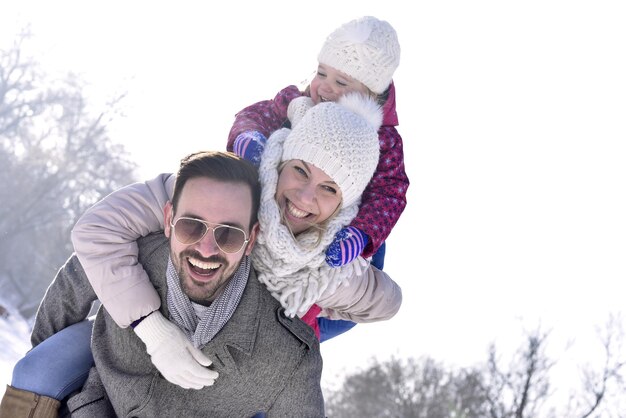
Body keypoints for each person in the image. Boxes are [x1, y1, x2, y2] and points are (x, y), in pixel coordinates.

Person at [1, 95, 402, 417]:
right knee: (40, 370)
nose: (304, 197)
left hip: (245, 351)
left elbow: (384, 302)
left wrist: (312, 305)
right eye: (299, 170)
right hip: (133, 340)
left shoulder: (329, 267)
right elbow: (91, 246)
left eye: (329, 189)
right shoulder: (215, 194)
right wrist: (149, 327)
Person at [1, 151, 326, 417]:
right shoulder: (135, 255)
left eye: (228, 234)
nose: (206, 249)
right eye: (190, 226)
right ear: (169, 219)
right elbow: (70, 289)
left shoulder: (285, 349)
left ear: (251, 238)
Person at [230, 15, 408, 271]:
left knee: (344, 275)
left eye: (341, 82)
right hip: (279, 211)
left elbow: (390, 193)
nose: (325, 87)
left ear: (371, 94)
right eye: (321, 73)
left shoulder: (383, 141)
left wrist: (362, 234)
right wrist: (248, 137)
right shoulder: (298, 103)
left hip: (337, 235)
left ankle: (321, 307)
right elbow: (256, 115)